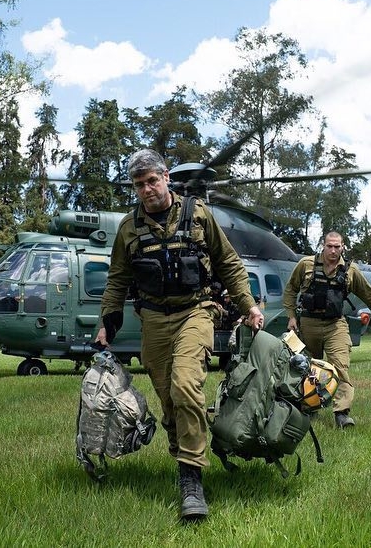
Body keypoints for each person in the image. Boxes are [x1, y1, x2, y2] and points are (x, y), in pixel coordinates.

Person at [94, 149, 264, 521]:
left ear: (166, 177)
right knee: (169, 397)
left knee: (186, 384)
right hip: (153, 319)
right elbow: (118, 280)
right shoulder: (128, 227)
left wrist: (249, 305)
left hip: (196, 311)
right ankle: (186, 444)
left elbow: (228, 263)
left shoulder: (199, 214)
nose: (147, 189)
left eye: (152, 181)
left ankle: (191, 478)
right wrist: (107, 323)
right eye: (139, 184)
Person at [282, 231, 371, 429]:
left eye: (337, 246)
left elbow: (369, 293)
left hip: (335, 325)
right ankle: (307, 408)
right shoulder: (306, 265)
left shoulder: (350, 270)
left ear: (343, 247)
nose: (333, 250)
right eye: (330, 246)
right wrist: (292, 316)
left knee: (340, 367)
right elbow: (291, 289)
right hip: (308, 323)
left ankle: (342, 414)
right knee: (305, 367)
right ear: (323, 245)